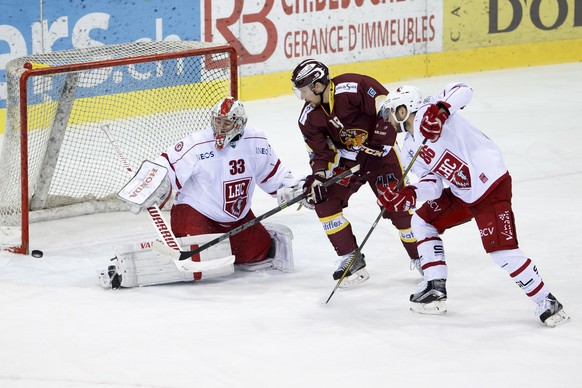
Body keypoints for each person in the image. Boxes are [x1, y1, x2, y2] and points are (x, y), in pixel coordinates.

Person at [377, 83, 570, 327]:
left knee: (501, 251)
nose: (388, 121)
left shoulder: (429, 109)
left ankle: (548, 302)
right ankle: (435, 287)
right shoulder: (409, 149)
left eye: (389, 113)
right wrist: (409, 195)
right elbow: (433, 185)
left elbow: (463, 89)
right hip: (463, 193)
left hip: (490, 184)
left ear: (402, 110)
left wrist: (442, 111)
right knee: (422, 220)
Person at [100, 97, 299, 288]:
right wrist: (146, 189)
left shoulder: (256, 141)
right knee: (201, 264)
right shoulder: (196, 144)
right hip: (196, 213)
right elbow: (166, 165)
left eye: (227, 123)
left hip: (236, 218)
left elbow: (273, 172)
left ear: (239, 124)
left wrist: (289, 188)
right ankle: (125, 270)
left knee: (256, 255)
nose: (220, 127)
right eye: (217, 120)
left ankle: (255, 234)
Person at [290, 59, 419, 286]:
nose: (302, 97)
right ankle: (350, 257)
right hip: (348, 162)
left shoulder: (353, 86)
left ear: (318, 86)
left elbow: (387, 110)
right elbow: (319, 153)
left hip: (382, 157)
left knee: (399, 207)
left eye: (304, 91)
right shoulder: (308, 117)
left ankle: (422, 258)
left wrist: (380, 142)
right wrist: (318, 176)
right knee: (325, 201)